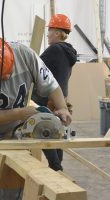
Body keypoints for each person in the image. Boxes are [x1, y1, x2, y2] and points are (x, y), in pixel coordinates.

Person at [0, 32, 72, 200]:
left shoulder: (26, 55)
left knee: (12, 193)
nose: (7, 76)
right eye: (0, 76)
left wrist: (63, 108)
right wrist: (21, 112)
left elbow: (51, 85)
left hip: (12, 135)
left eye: (8, 70)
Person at [32, 14, 77, 171]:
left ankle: (56, 167)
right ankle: (57, 168)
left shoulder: (55, 50)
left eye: (50, 30)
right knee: (56, 131)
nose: (48, 33)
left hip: (48, 98)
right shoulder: (67, 51)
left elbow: (35, 66)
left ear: (58, 33)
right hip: (61, 98)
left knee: (43, 130)